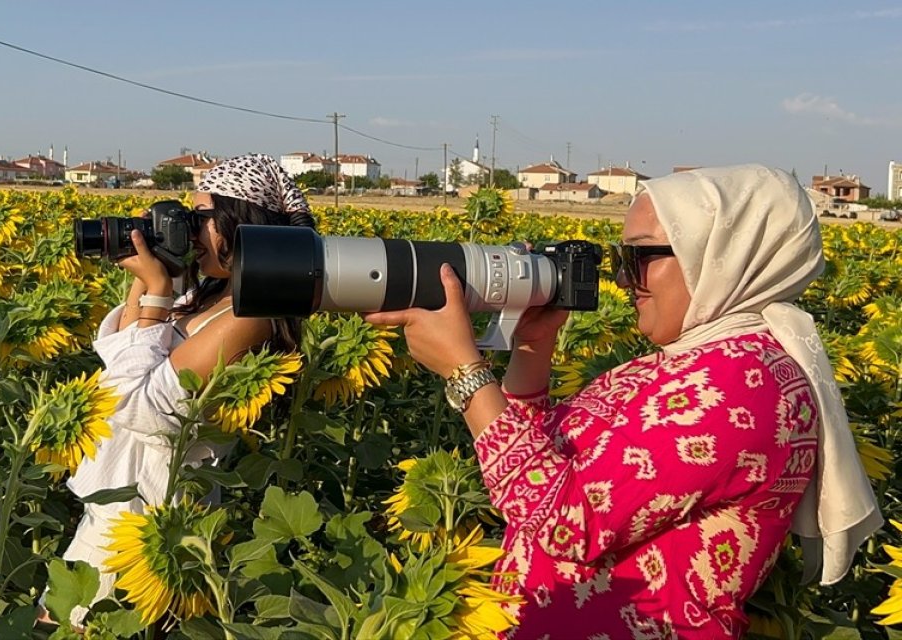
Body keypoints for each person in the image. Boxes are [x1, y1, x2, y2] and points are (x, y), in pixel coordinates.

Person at [364, 165, 882, 638]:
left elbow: (566, 522)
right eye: (619, 260)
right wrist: (531, 351)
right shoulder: (695, 360)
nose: (622, 280)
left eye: (639, 258)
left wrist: (466, 375)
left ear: (719, 254)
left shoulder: (743, 383)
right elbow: (534, 472)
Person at [38, 153, 313, 628]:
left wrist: (160, 293)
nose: (191, 227)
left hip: (148, 524)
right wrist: (156, 273)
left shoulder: (252, 316)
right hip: (116, 510)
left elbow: (140, 407)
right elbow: (121, 352)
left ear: (243, 224)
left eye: (201, 217)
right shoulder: (208, 294)